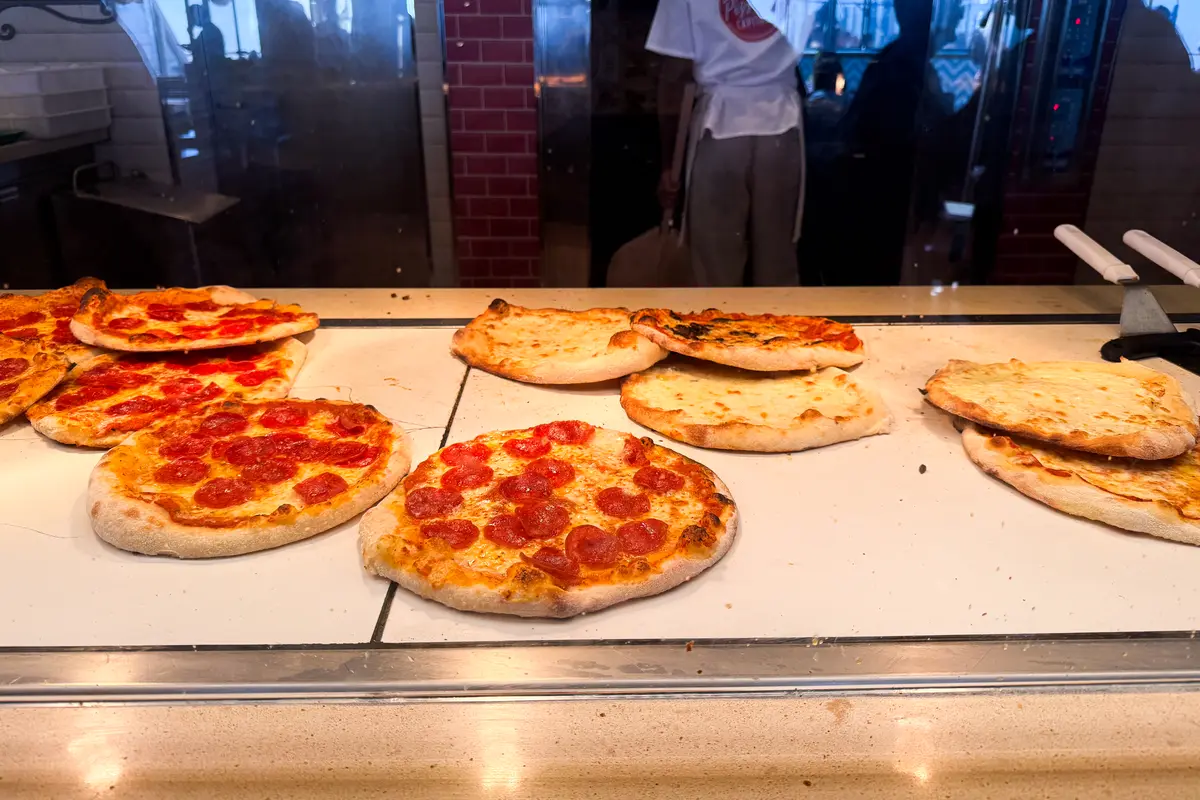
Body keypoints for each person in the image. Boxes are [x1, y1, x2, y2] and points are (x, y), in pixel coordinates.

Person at [647, 0, 807, 286]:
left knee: (714, 270)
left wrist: (668, 167)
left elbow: (673, 76)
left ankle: (718, 329)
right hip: (782, 128)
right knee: (778, 266)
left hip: (719, 129)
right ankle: (782, 330)